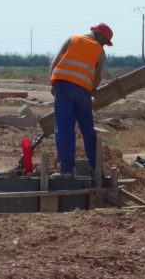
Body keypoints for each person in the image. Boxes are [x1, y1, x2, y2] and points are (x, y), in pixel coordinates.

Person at [49, 23, 113, 177]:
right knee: (87, 128)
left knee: (64, 129)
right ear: (100, 36)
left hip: (63, 87)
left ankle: (66, 171)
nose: (104, 45)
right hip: (83, 91)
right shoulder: (100, 51)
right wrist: (91, 90)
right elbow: (97, 76)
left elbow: (55, 61)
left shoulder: (72, 39)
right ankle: (95, 168)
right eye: (105, 42)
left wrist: (53, 83)